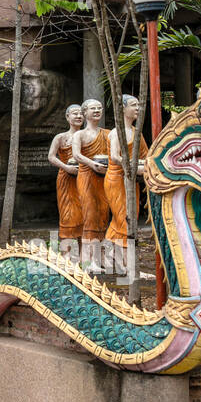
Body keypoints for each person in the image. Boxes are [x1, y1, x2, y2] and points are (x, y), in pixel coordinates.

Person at [104, 95, 149, 273]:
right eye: (133, 105)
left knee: (128, 218)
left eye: (138, 105)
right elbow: (115, 157)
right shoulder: (117, 132)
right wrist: (134, 165)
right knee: (124, 220)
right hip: (116, 180)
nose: (137, 108)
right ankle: (128, 266)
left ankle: (114, 260)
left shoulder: (136, 132)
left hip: (131, 180)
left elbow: (145, 155)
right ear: (123, 109)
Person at [71, 98, 111, 271]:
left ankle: (101, 258)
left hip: (104, 177)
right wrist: (92, 164)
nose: (96, 111)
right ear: (85, 112)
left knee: (104, 214)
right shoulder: (79, 135)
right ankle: (87, 261)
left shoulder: (108, 134)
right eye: (93, 108)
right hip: (87, 175)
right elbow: (76, 155)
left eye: (99, 108)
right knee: (90, 215)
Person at [47, 104, 84, 257]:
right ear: (68, 117)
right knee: (68, 214)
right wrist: (66, 168)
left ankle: (84, 256)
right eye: (75, 113)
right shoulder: (61, 137)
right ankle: (66, 255)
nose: (78, 116)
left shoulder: (87, 136)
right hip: (66, 178)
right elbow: (51, 157)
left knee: (86, 213)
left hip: (84, 178)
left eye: (81, 113)